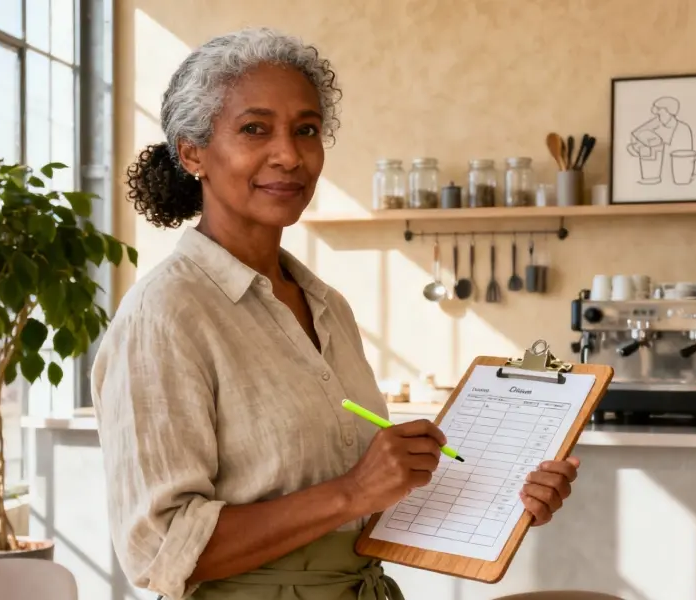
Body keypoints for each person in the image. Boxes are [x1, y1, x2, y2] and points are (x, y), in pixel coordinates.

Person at [90, 27, 582, 600]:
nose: (290, 155)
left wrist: (506, 498)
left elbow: (357, 511)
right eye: (255, 129)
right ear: (192, 152)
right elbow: (159, 549)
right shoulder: (163, 314)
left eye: (307, 130)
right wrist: (353, 491)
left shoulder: (327, 305)